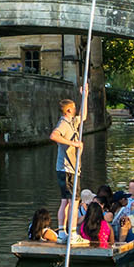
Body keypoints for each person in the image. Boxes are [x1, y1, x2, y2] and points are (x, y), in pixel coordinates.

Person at [49, 96, 86, 228]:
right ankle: (73, 232)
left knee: (65, 201)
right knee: (74, 202)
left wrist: (85, 95)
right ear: (69, 110)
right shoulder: (64, 123)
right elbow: (54, 136)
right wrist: (73, 143)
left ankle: (62, 231)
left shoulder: (72, 122)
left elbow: (83, 116)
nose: (76, 109)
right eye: (74, 107)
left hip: (67, 168)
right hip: (67, 168)